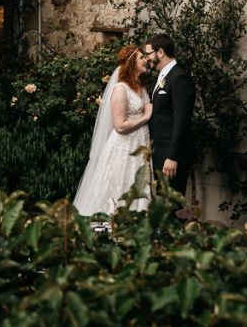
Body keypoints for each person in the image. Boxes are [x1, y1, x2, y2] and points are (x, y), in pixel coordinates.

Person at [72, 44, 153, 216]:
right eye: (141, 58)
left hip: (139, 146)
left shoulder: (141, 87)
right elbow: (120, 126)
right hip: (123, 148)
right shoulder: (120, 89)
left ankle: (133, 230)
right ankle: (105, 231)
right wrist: (145, 117)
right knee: (116, 189)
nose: (145, 60)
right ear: (131, 64)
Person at [142, 33, 196, 196]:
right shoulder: (164, 75)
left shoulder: (179, 77)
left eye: (148, 54)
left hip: (171, 157)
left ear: (160, 52)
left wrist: (173, 157)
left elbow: (182, 121)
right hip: (159, 153)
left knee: (170, 208)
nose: (147, 59)